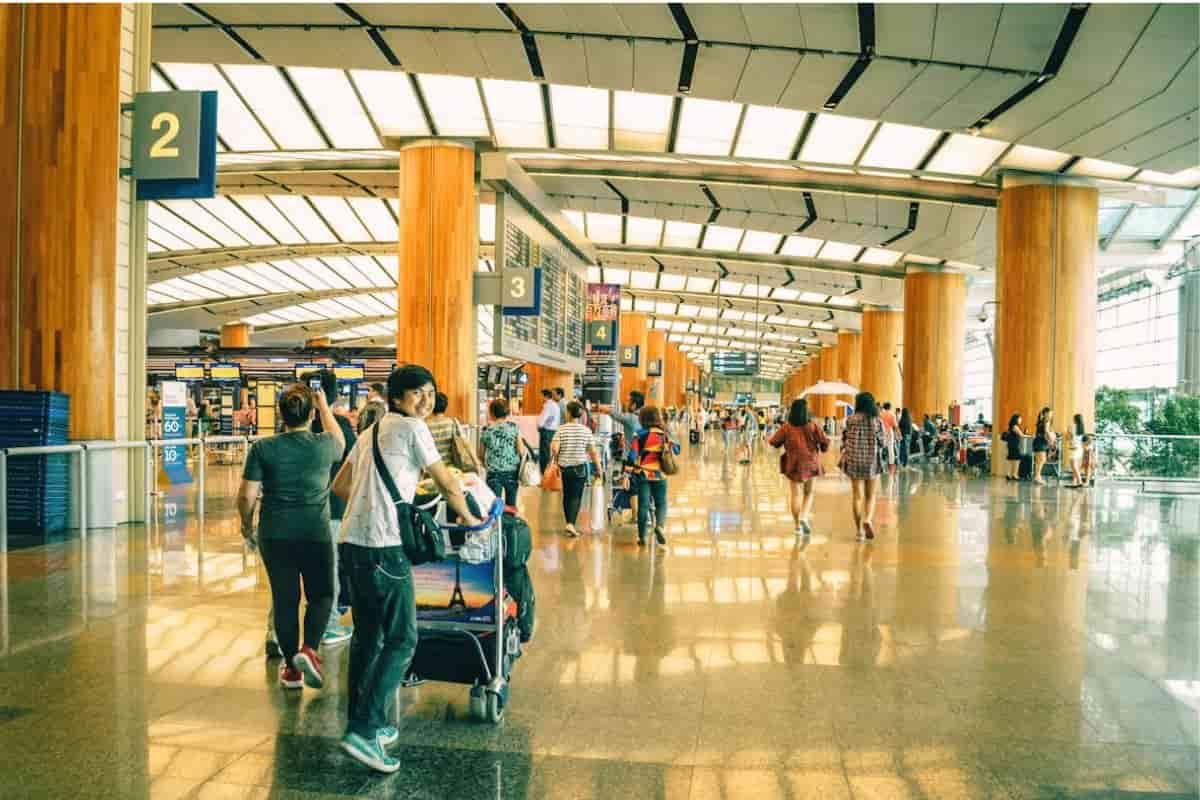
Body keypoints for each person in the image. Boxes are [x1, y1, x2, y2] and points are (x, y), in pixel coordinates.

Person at [331, 365, 482, 773]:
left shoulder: (369, 432)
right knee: (402, 639)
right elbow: (448, 482)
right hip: (384, 546)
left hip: (352, 542)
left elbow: (341, 488)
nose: (426, 400)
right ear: (398, 397)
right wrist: (468, 518)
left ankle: (363, 721)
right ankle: (364, 730)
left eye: (430, 392)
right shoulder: (414, 430)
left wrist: (382, 494)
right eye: (418, 393)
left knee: (367, 636)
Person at [238, 382, 345, 691]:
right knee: (322, 594)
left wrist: (247, 526)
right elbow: (339, 438)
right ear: (311, 413)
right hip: (315, 533)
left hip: (275, 533)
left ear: (280, 414)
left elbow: (246, 496)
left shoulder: (263, 448)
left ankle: (291, 670)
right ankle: (309, 650)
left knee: (285, 600)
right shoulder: (324, 444)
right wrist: (323, 406)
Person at [309, 370, 358, 647]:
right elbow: (349, 455)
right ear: (336, 394)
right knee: (328, 571)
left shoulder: (294, 426)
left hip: (295, 512)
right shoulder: (338, 426)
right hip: (331, 508)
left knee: (290, 578)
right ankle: (327, 627)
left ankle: (278, 634)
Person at [769, 398, 829, 537]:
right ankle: (804, 516)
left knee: (795, 494)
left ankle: (797, 527)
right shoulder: (813, 425)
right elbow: (824, 442)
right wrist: (822, 447)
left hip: (793, 463)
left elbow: (773, 441)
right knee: (809, 493)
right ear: (806, 411)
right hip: (811, 462)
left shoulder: (787, 427)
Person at [551, 401, 604, 537]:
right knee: (576, 496)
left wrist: (555, 459)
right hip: (580, 468)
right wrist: (599, 469)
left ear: (568, 413)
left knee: (567, 496)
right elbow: (593, 452)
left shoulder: (561, 429)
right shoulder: (586, 431)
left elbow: (554, 448)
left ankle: (569, 522)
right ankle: (571, 524)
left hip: (564, 468)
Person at [630, 406, 678, 546]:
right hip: (660, 474)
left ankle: (641, 537)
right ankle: (660, 527)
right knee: (661, 503)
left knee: (643, 505)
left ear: (642, 419)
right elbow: (676, 449)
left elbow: (632, 455)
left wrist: (627, 473)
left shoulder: (639, 434)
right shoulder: (664, 433)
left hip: (643, 473)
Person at [841, 392, 885, 541]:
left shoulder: (850, 420)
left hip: (854, 460)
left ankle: (859, 532)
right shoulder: (876, 420)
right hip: (872, 461)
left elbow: (845, 439)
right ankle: (868, 520)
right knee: (870, 495)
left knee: (857, 497)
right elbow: (882, 442)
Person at [478, 397, 528, 506]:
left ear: (492, 413)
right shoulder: (514, 428)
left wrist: (486, 465)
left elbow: (480, 455)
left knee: (495, 505)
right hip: (512, 471)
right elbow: (521, 450)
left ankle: (498, 522)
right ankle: (511, 522)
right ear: (507, 412)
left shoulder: (486, 430)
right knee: (511, 504)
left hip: (493, 473)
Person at [424, 392, 459, 464]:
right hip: (449, 466)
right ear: (445, 406)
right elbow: (464, 442)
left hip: (431, 467)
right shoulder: (452, 422)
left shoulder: (424, 424)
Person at [536, 389, 561, 472]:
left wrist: (539, 425)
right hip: (553, 431)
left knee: (544, 454)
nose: (540, 398)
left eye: (541, 396)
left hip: (546, 431)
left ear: (545, 396)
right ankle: (549, 472)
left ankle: (544, 473)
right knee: (549, 453)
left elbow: (542, 420)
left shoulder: (548, 405)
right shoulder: (555, 405)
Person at [1032, 407, 1055, 486]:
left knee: (1039, 461)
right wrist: (1051, 440)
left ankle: (1037, 477)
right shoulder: (1046, 421)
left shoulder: (1041, 420)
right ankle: (1037, 477)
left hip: (1038, 441)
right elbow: (1046, 432)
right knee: (1042, 460)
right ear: (1045, 413)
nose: (1051, 415)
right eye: (1050, 413)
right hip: (1040, 442)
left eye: (1051, 413)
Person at [1066, 413, 1086, 488]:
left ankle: (1079, 481)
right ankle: (1075, 482)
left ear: (1075, 419)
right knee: (1076, 466)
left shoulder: (1072, 427)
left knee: (1073, 466)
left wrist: (1068, 431)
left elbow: (1068, 438)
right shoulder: (1082, 428)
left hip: (1073, 448)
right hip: (1079, 448)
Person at [1003, 413, 1025, 480]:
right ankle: (1014, 475)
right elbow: (1021, 435)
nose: (1021, 420)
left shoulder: (1011, 426)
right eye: (1020, 418)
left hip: (1010, 444)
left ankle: (1008, 474)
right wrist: (1030, 436)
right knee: (1017, 459)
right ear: (1016, 419)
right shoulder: (1015, 426)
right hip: (1014, 445)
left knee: (1011, 459)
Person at [879, 402, 898, 468]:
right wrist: (899, 434)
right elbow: (895, 426)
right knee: (890, 449)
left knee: (880, 448)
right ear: (890, 407)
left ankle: (879, 462)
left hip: (882, 432)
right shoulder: (892, 415)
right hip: (889, 432)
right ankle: (891, 463)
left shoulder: (880, 414)